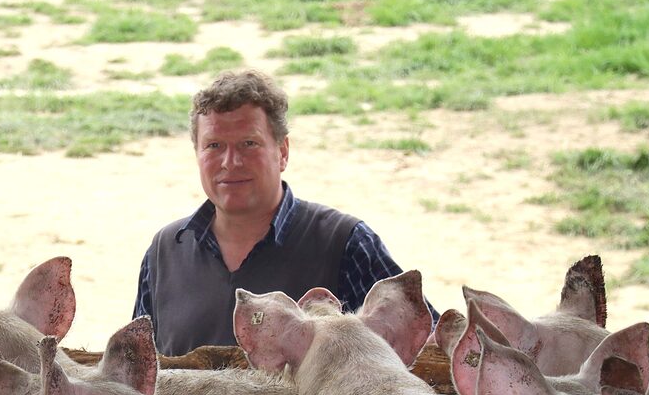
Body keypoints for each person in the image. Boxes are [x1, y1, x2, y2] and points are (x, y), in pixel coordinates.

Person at [133, 69, 428, 356]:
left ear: (283, 152)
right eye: (214, 146)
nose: (230, 162)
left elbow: (426, 347)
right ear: (196, 153)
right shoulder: (165, 252)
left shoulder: (344, 243)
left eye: (249, 144)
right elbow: (139, 375)